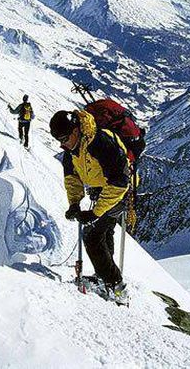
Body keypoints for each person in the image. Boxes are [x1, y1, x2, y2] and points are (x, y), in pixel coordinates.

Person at [50, 109, 130, 302]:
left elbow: (120, 181)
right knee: (103, 232)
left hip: (118, 191)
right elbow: (72, 178)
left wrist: (95, 212)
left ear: (76, 130)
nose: (62, 144)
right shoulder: (72, 149)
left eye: (64, 138)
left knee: (92, 235)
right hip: (102, 190)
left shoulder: (100, 143)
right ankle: (106, 278)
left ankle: (116, 286)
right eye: (58, 140)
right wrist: (74, 203)